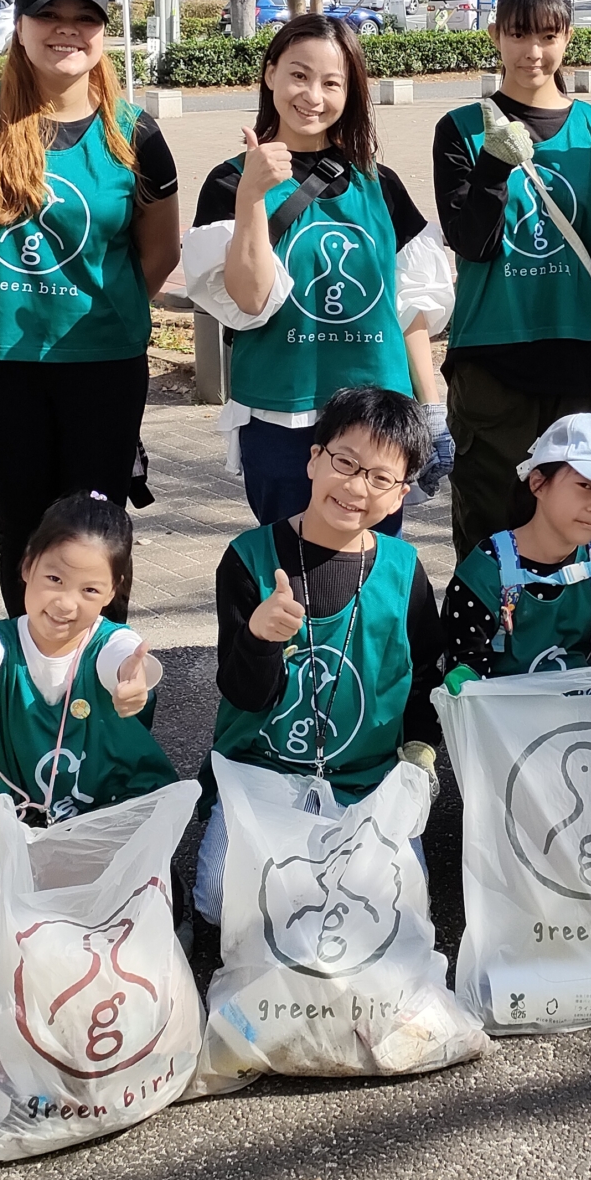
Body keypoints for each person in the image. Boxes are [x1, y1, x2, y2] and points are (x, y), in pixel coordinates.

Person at [0, 0, 180, 615]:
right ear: (21, 29)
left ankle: (103, 689)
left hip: (103, 367)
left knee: (97, 533)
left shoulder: (135, 133)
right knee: (25, 534)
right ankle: (32, 689)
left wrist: (101, 311)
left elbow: (160, 252)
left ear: (103, 34)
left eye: (84, 19)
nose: (67, 32)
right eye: (49, 18)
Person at [183, 14, 455, 532]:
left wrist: (432, 408)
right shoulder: (230, 182)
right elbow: (249, 297)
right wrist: (252, 197)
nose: (313, 95)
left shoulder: (379, 185)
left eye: (332, 83)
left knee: (367, 571)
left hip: (376, 422)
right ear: (270, 75)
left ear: (350, 93)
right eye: (299, 75)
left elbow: (408, 305)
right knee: (289, 568)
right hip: (281, 418)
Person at [196, 386, 445, 924]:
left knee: (399, 905)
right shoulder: (248, 560)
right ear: (313, 459)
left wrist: (420, 756)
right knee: (219, 903)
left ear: (400, 495)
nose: (357, 487)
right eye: (345, 463)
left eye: (381, 478)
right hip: (261, 771)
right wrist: (260, 638)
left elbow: (425, 675)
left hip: (366, 778)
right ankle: (223, 818)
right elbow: (242, 693)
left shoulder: (403, 571)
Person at [431, 0, 591, 558]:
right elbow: (470, 242)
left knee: (574, 518)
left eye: (548, 35)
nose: (533, 52)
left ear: (568, 37)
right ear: (495, 34)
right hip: (491, 361)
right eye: (519, 34)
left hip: (577, 355)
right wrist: (493, 167)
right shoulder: (461, 130)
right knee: (489, 514)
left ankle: (572, 632)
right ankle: (482, 642)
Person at [0, 492, 174, 907]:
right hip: (32, 819)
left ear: (112, 592)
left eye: (89, 589)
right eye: (54, 579)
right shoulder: (3, 645)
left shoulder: (110, 643)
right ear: (28, 564)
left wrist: (133, 681)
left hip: (115, 817)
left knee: (128, 909)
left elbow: (127, 661)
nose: (66, 603)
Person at [439, 413, 591, 684]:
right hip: (504, 720)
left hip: (583, 714)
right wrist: (463, 674)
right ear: (538, 483)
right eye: (585, 485)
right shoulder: (484, 572)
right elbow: (468, 660)